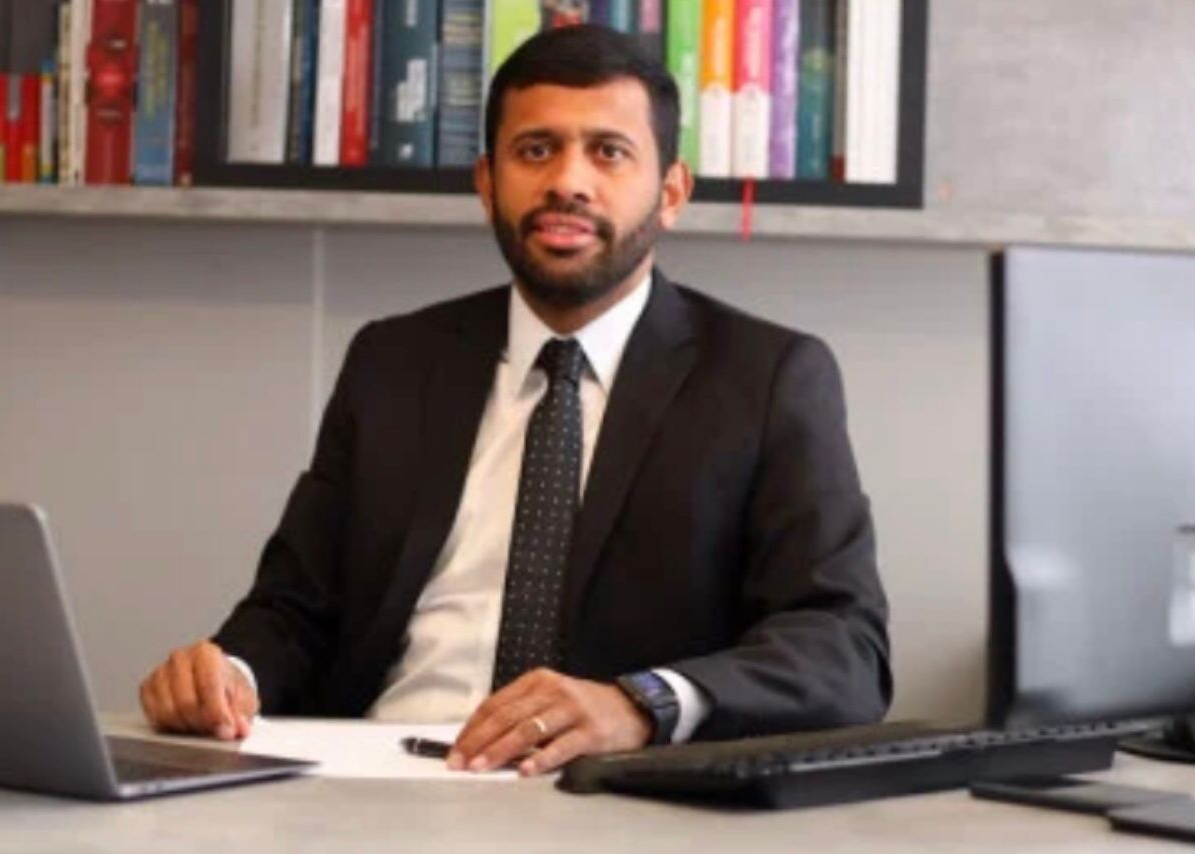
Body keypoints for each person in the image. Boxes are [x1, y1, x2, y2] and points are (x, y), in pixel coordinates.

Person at [139, 24, 891, 777]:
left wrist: (641, 705)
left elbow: (844, 649)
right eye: (536, 150)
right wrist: (229, 674)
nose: (568, 182)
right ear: (487, 183)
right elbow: (294, 608)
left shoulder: (766, 378)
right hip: (377, 778)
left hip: (612, 796)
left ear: (670, 193)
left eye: (608, 152)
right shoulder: (393, 361)